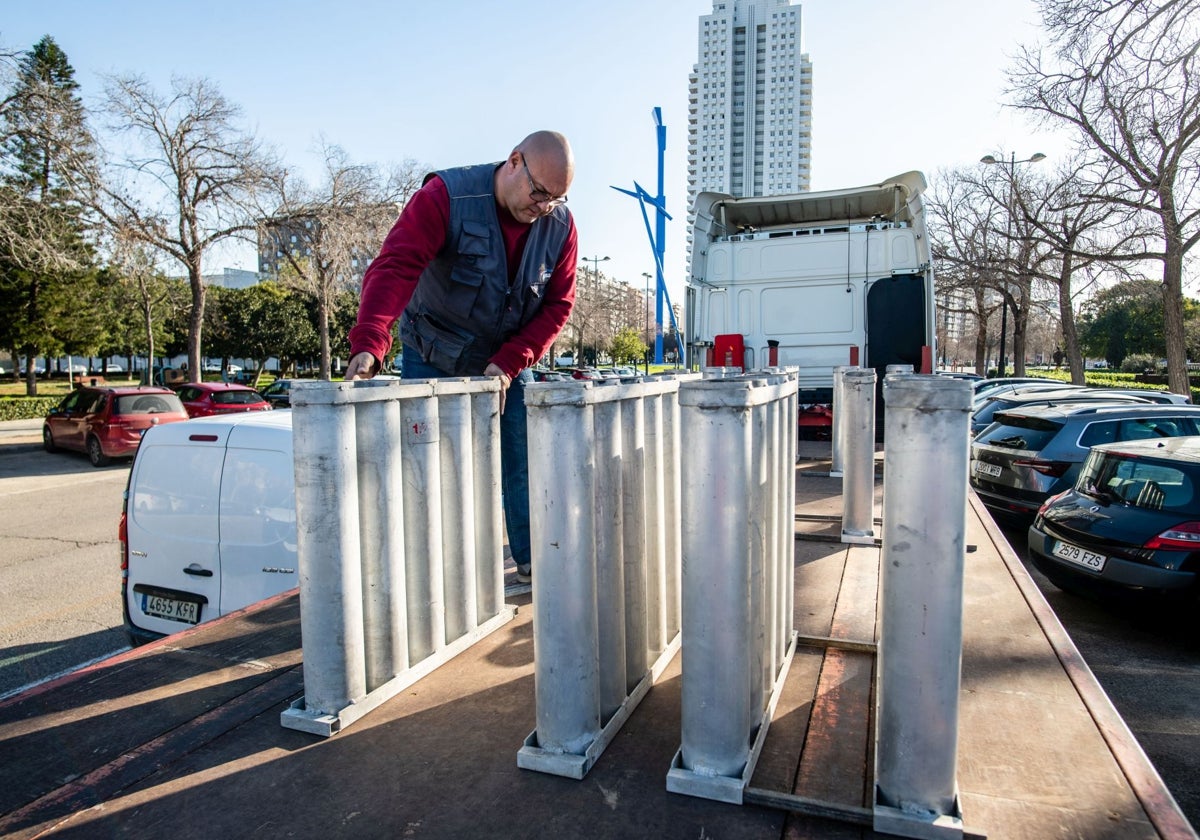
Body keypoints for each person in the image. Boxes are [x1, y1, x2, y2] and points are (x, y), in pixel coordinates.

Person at [345, 130, 578, 585]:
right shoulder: (445, 197)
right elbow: (397, 265)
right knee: (426, 467)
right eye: (538, 193)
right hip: (433, 353)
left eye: (556, 198)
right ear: (514, 162)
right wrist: (372, 339)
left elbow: (558, 306)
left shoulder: (561, 227)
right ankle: (427, 575)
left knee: (523, 460)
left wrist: (513, 359)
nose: (544, 207)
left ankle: (534, 565)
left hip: (506, 363)